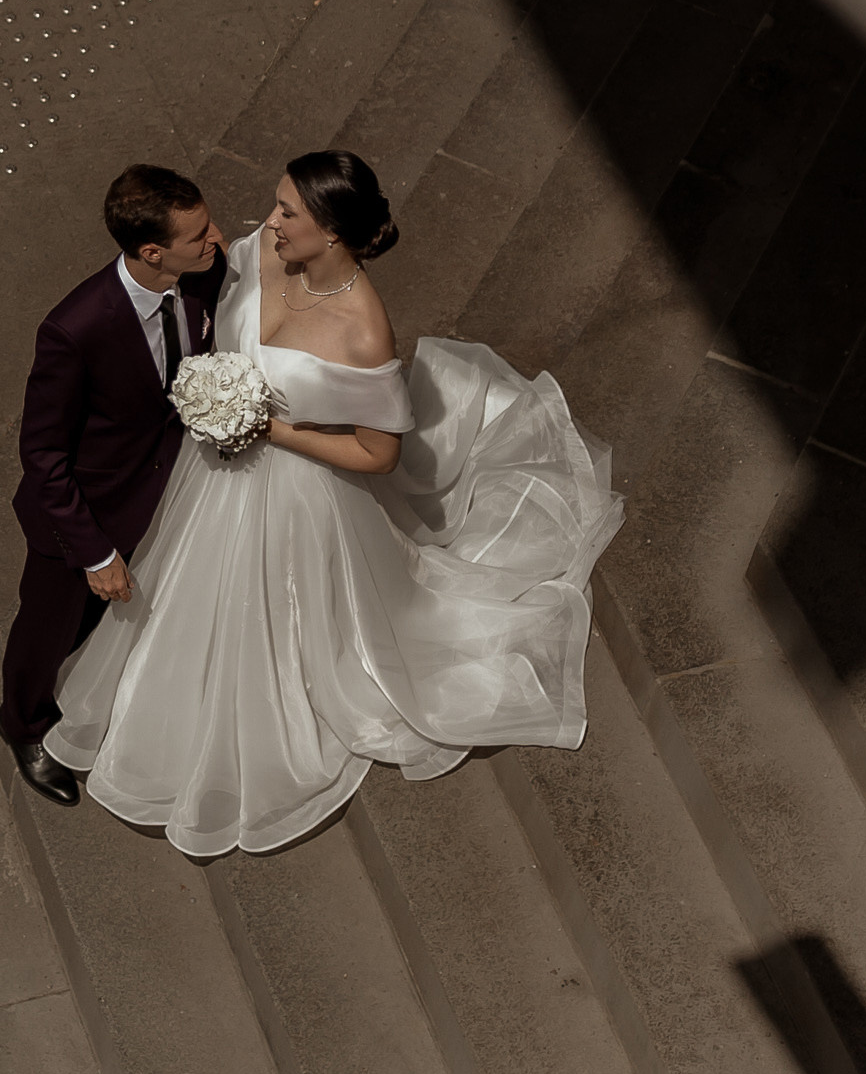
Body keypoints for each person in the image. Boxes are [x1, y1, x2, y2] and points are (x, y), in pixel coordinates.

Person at [44, 149, 622, 857]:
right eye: (278, 203)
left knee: (280, 608)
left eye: (288, 211)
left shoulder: (362, 329)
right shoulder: (257, 253)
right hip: (210, 476)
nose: (269, 220)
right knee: (184, 589)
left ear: (334, 234)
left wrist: (268, 426)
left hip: (296, 491)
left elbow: (376, 454)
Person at [0, 164, 227, 805]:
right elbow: (42, 454)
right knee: (48, 628)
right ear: (152, 252)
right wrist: (95, 552)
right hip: (80, 515)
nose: (216, 240)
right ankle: (23, 723)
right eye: (200, 232)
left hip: (160, 488)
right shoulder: (76, 328)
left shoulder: (200, 271)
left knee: (98, 624)